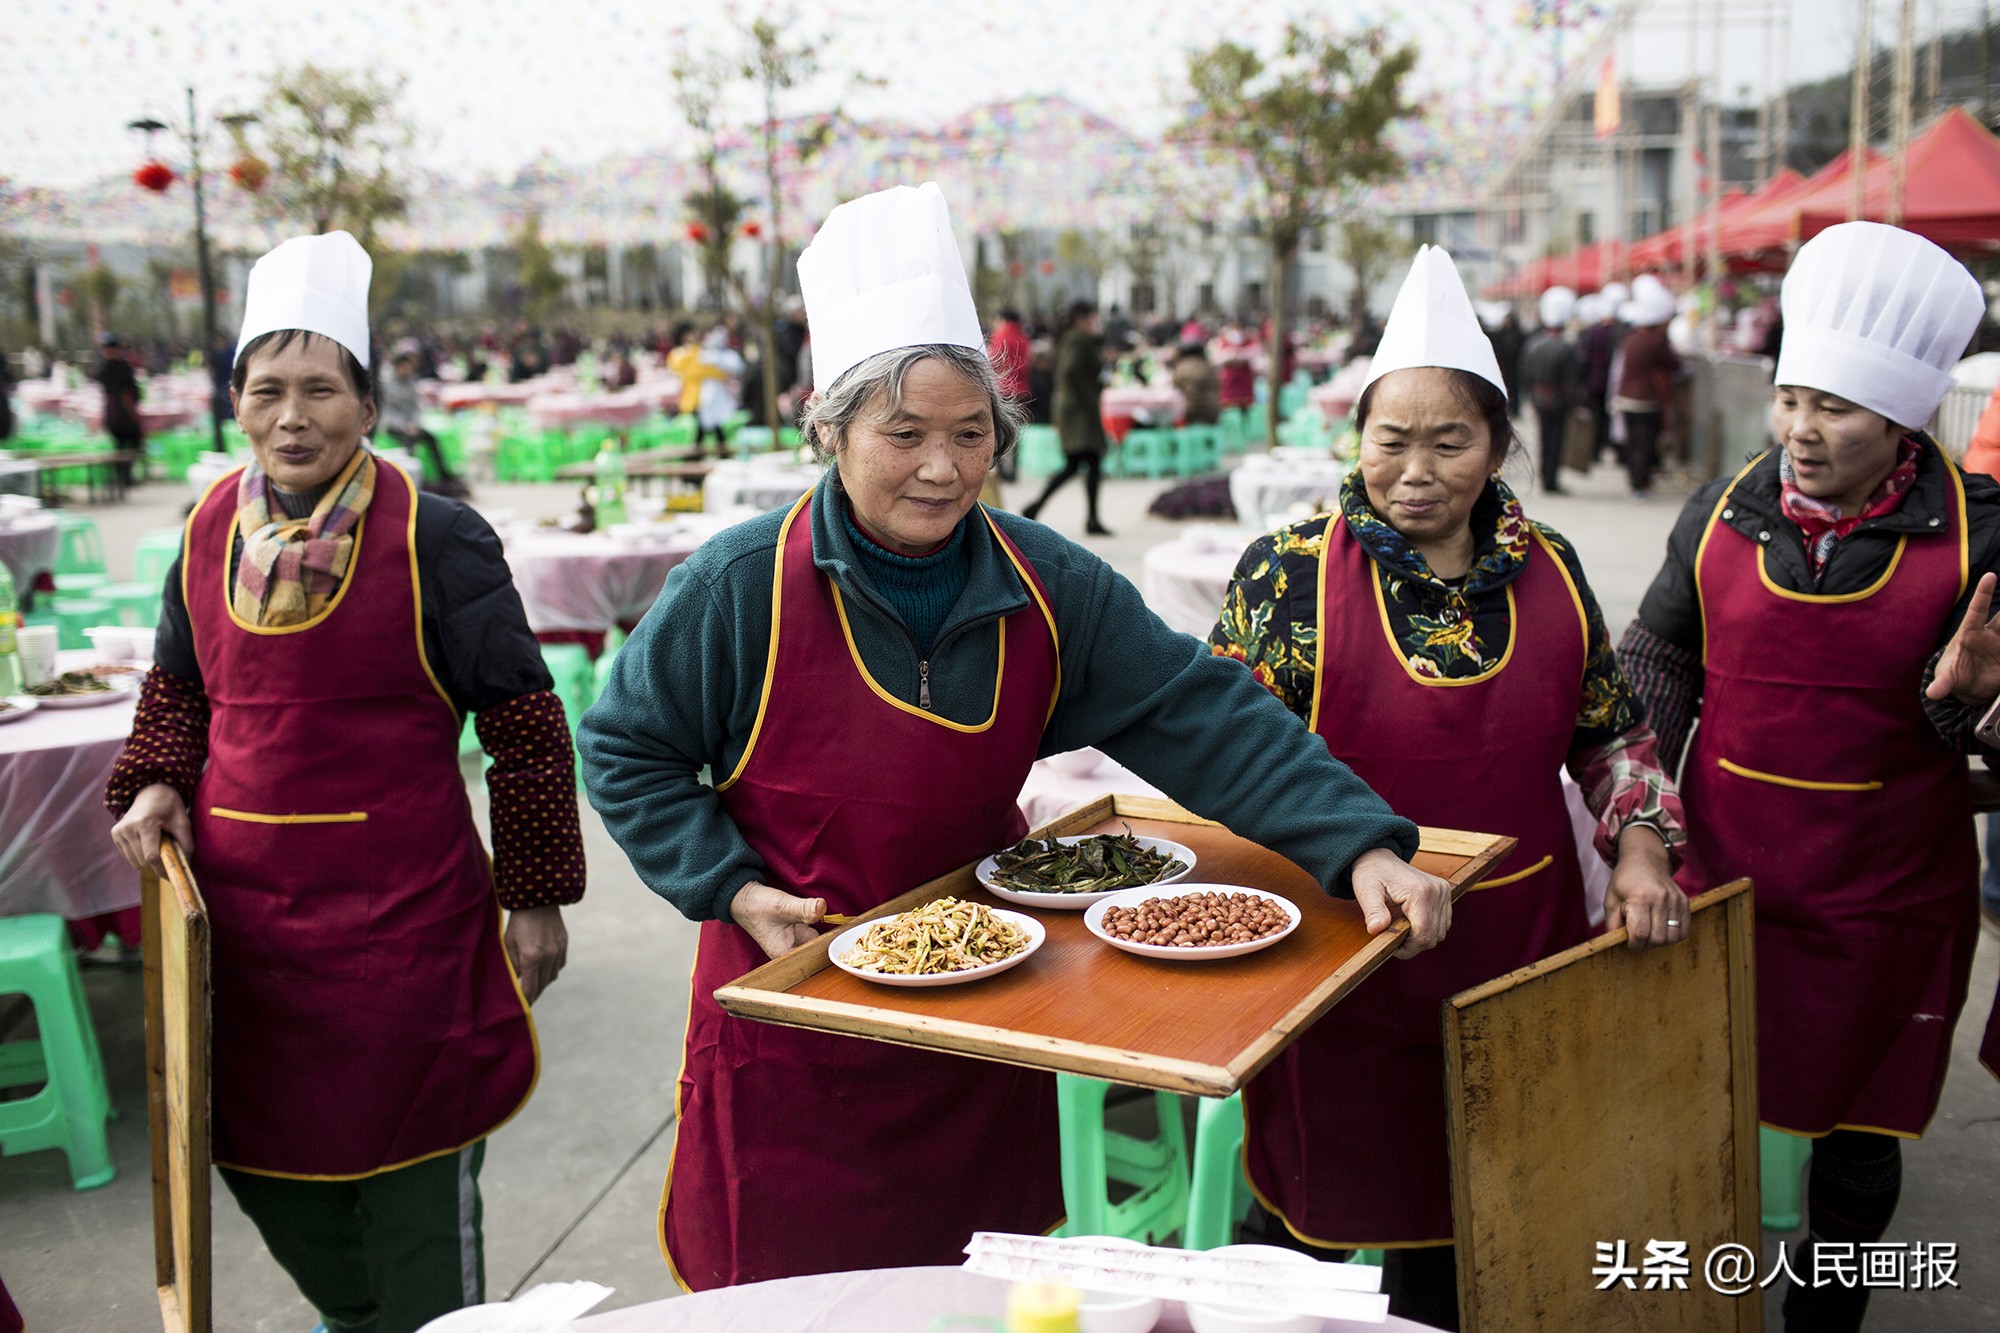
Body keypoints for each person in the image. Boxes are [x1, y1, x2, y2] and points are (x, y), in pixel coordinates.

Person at [576, 182, 1454, 1293]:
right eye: (903, 435)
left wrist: (1359, 843)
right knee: (799, 1302)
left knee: (981, 1295)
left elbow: (1198, 710)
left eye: (970, 432)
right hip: (795, 1012)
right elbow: (621, 746)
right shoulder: (741, 584)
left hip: (987, 1013)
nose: (942, 468)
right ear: (828, 431)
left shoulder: (1047, 584)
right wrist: (728, 886)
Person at [103, 232, 584, 1333]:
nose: (293, 415)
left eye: (322, 389)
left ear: (367, 404)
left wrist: (536, 893)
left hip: (403, 937)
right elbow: (180, 685)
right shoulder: (205, 529)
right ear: (234, 404)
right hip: (251, 943)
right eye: (266, 390)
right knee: (265, 1172)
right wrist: (156, 781)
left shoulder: (441, 539)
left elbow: (523, 722)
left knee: (416, 1198)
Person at [1212, 246, 1687, 1329]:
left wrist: (1643, 850)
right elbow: (1223, 757)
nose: (1413, 468)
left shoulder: (1554, 567)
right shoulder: (1286, 572)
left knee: (1478, 1223)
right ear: (1357, 437)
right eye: (1390, 439)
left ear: (1499, 446)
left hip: (1509, 961)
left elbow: (1610, 734)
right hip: (1331, 962)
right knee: (1315, 1241)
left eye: (1448, 440)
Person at [1619, 222, 2000, 1333]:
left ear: (1901, 418)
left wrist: (1968, 704)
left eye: (1831, 409)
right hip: (1724, 880)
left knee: (1855, 1129)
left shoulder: (1980, 541)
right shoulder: (1718, 509)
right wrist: (1642, 824)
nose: (1797, 429)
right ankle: (1697, 1301)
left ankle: (1824, 1316)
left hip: (1883, 897)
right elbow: (1656, 660)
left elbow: (1986, 739)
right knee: (1701, 1106)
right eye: (1789, 398)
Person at [1021, 300, 1112, 535]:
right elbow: (1071, 370)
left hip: (1075, 409)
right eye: (1092, 316)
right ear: (1082, 317)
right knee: (1085, 462)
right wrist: (1086, 395)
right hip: (1079, 411)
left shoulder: (1073, 338)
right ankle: (1089, 518)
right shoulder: (1076, 339)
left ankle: (1037, 507)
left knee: (1079, 464)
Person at [1611, 276, 1679, 498]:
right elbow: (1674, 364)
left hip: (1626, 397)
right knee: (1644, 442)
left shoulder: (1630, 338)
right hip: (1646, 399)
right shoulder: (1657, 341)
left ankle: (1635, 480)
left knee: (1633, 442)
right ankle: (1640, 484)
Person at [1518, 286, 1581, 495]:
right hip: (1559, 400)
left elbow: (1524, 373)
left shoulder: (1533, 344)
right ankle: (1551, 479)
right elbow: (1572, 380)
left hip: (1539, 398)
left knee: (1545, 438)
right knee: (1555, 440)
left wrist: (1529, 398)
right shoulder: (1566, 347)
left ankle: (1547, 477)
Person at [94, 332, 144, 485]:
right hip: (123, 413)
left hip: (112, 413)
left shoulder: (104, 369)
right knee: (130, 443)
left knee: (121, 446)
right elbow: (131, 393)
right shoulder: (122, 367)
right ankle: (124, 477)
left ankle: (123, 477)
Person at [1170, 340, 1222, 425]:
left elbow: (1177, 389)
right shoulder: (1208, 366)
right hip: (1214, 412)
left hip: (1193, 414)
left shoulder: (1182, 368)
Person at [987, 307, 1031, 402]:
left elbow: (993, 362)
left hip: (1004, 388)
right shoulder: (1023, 337)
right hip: (1022, 389)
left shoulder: (999, 337)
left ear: (1003, 320)